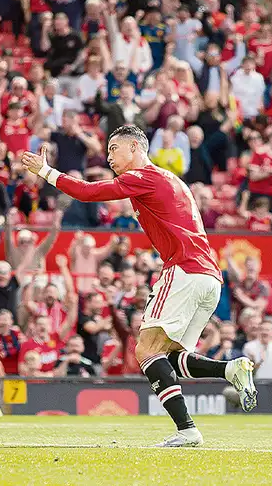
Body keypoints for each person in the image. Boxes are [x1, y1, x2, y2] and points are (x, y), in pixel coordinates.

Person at [21, 125, 256, 447]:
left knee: (145, 350)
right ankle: (230, 369)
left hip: (184, 271)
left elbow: (89, 193)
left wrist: (45, 171)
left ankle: (187, 431)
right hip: (209, 277)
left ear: (134, 146)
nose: (109, 158)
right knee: (171, 358)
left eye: (113, 150)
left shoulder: (145, 176)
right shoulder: (172, 180)